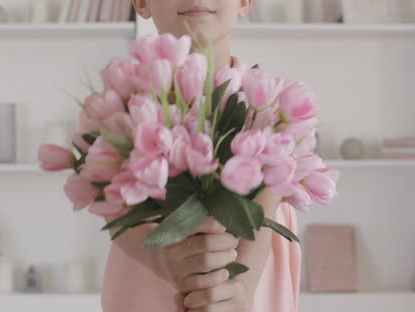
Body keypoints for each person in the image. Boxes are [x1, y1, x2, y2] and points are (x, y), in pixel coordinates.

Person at [102, 1, 301, 311]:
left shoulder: (279, 107)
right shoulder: (121, 105)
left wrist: (240, 293)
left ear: (244, 2)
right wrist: (161, 260)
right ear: (140, 2)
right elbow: (112, 209)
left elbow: (266, 206)